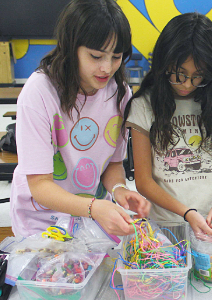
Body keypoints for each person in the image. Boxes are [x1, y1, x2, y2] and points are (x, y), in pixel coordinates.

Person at [10, 0, 150, 237]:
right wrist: (94, 208)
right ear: (70, 46)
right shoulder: (40, 92)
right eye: (96, 56)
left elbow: (113, 164)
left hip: (92, 218)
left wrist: (118, 190)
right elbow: (40, 185)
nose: (106, 68)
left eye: (116, 57)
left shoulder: (120, 93)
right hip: (41, 221)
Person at [123, 13, 212, 238]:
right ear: (163, 63)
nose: (188, 84)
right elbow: (143, 181)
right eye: (179, 74)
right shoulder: (144, 105)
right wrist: (187, 212)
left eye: (198, 76)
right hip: (165, 226)